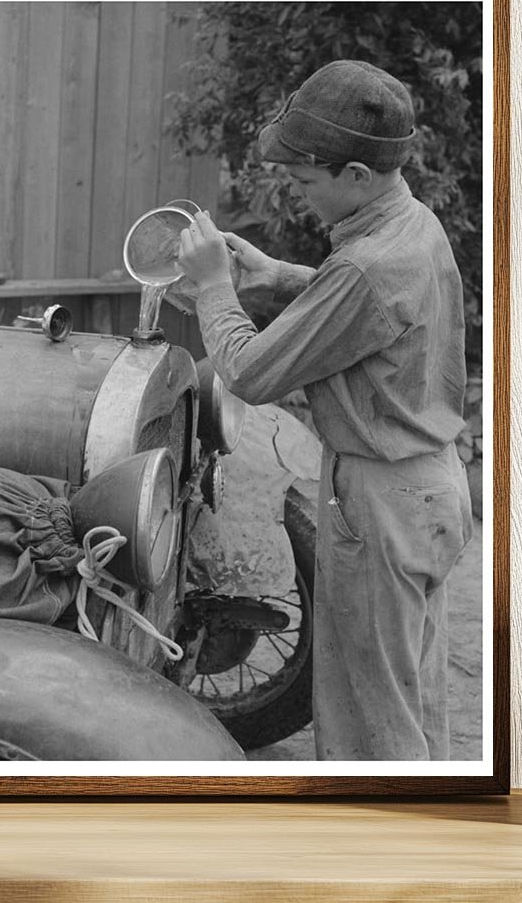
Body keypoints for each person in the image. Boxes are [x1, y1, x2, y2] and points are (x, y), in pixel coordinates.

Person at [176, 59, 473, 761]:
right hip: (427, 488)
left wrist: (216, 288)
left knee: (371, 721)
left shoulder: (366, 268)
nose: (301, 196)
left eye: (308, 182)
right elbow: (373, 309)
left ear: (358, 176)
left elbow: (249, 372)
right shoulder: (411, 223)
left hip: (381, 505)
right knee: (408, 699)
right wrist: (279, 277)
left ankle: (378, 862)